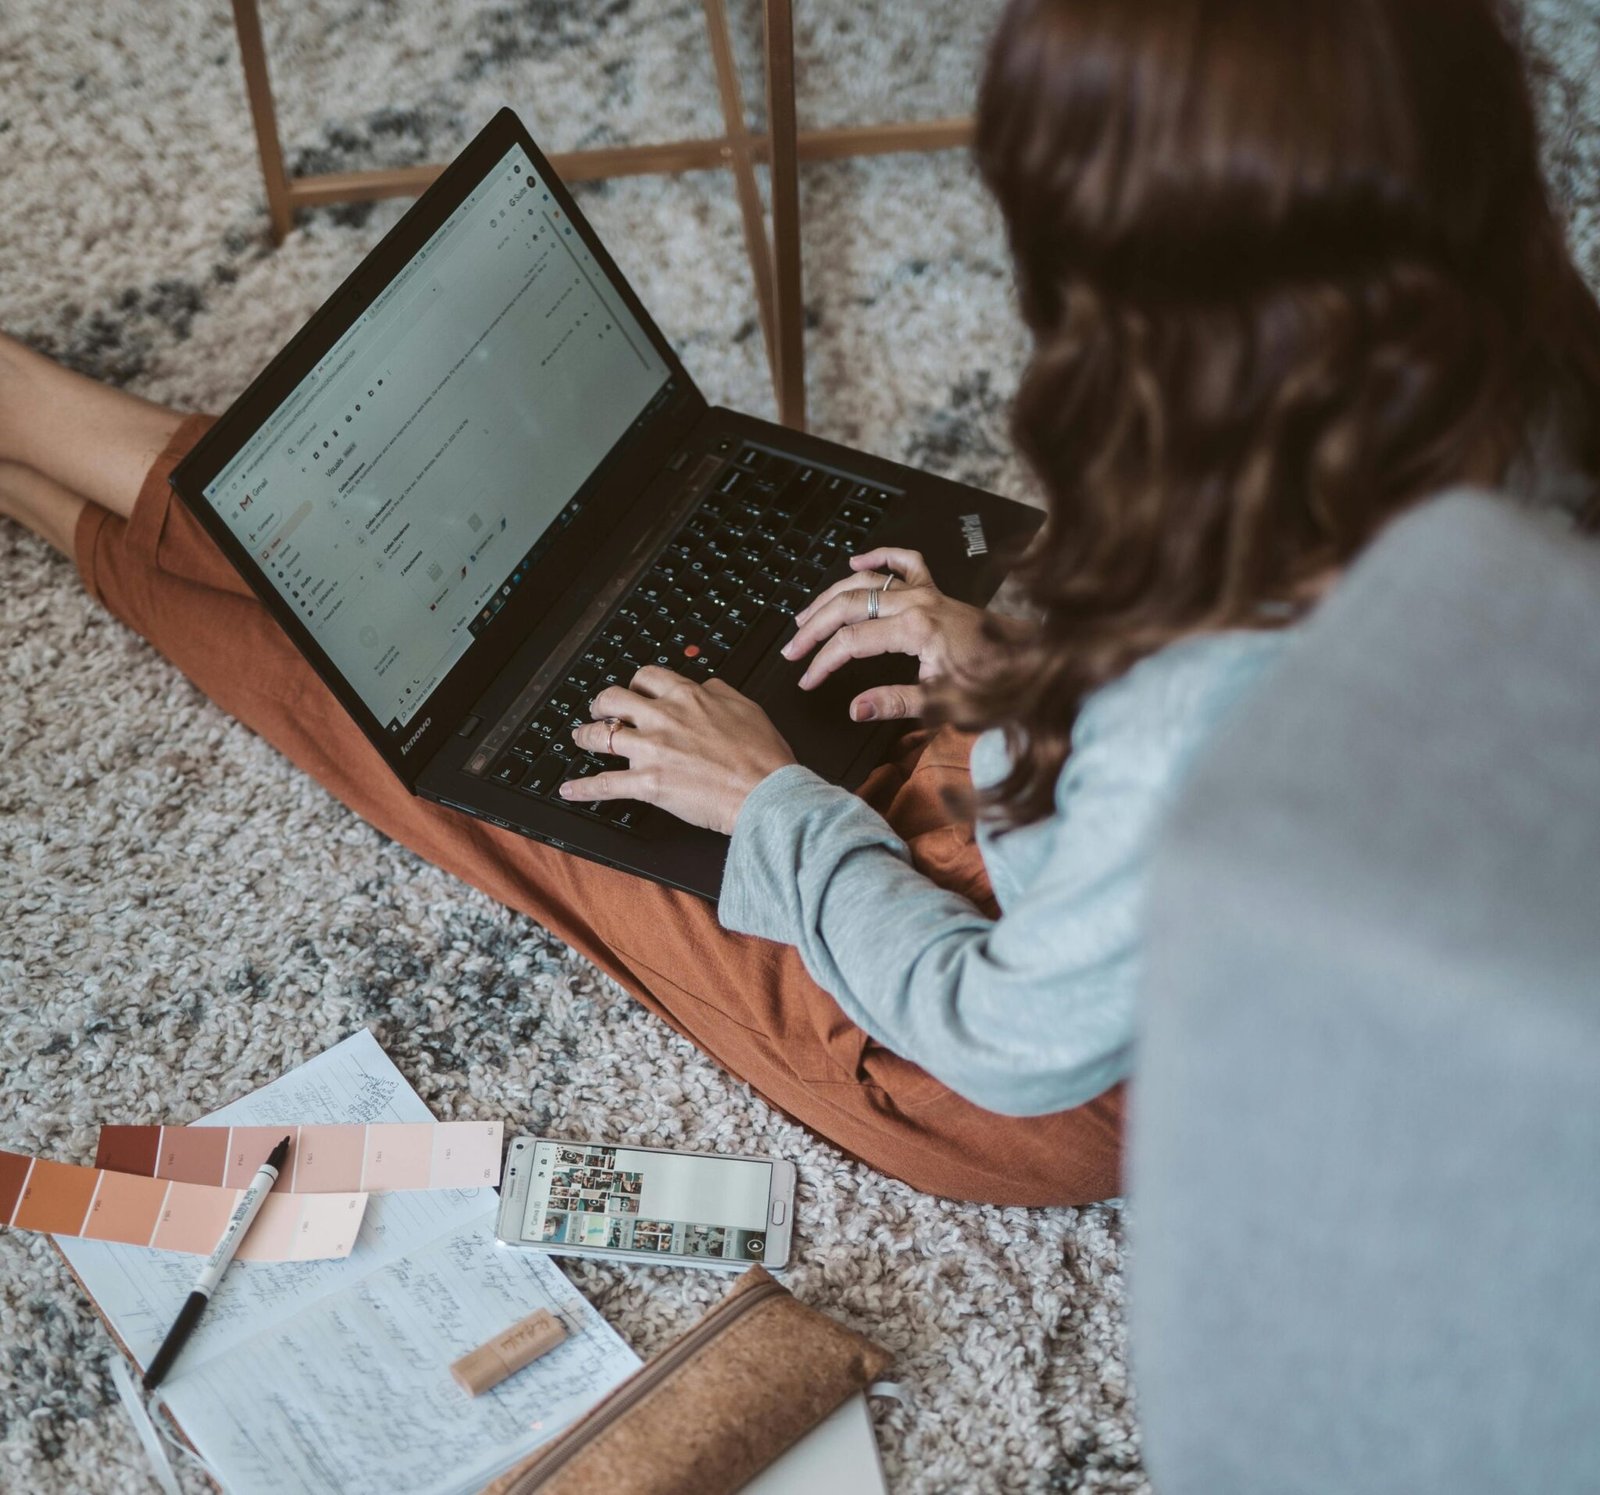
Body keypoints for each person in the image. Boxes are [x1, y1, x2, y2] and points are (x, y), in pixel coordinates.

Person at [3, 0, 1598, 1207]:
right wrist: (1027, 669)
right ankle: (44, 460)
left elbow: (1013, 1034)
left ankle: (39, 441)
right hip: (1180, 895)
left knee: (452, 747)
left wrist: (771, 804)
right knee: (492, 638)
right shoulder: (1519, 394)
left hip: (1059, 1069)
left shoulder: (1228, 672)